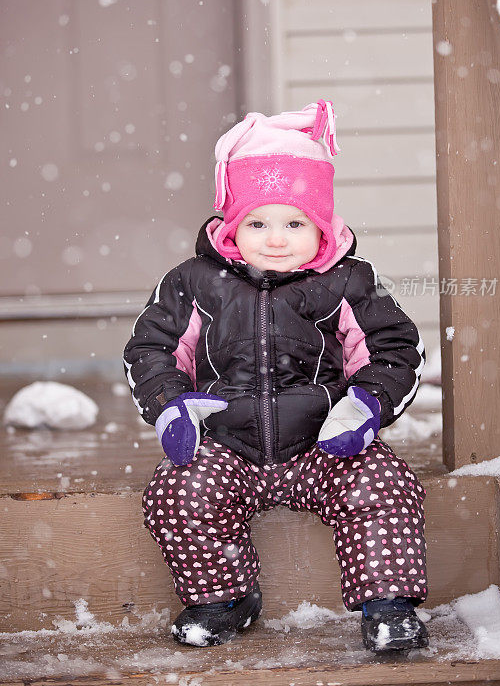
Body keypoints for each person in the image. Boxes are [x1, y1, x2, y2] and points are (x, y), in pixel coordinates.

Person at [123, 100, 429, 652]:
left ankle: (388, 604)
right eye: (257, 223)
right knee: (178, 491)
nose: (276, 238)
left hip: (323, 447)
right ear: (232, 226)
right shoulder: (194, 282)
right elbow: (154, 348)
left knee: (381, 485)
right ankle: (222, 597)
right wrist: (173, 405)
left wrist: (364, 405)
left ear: (322, 224)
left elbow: (392, 347)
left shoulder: (348, 282)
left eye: (295, 223)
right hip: (227, 444)